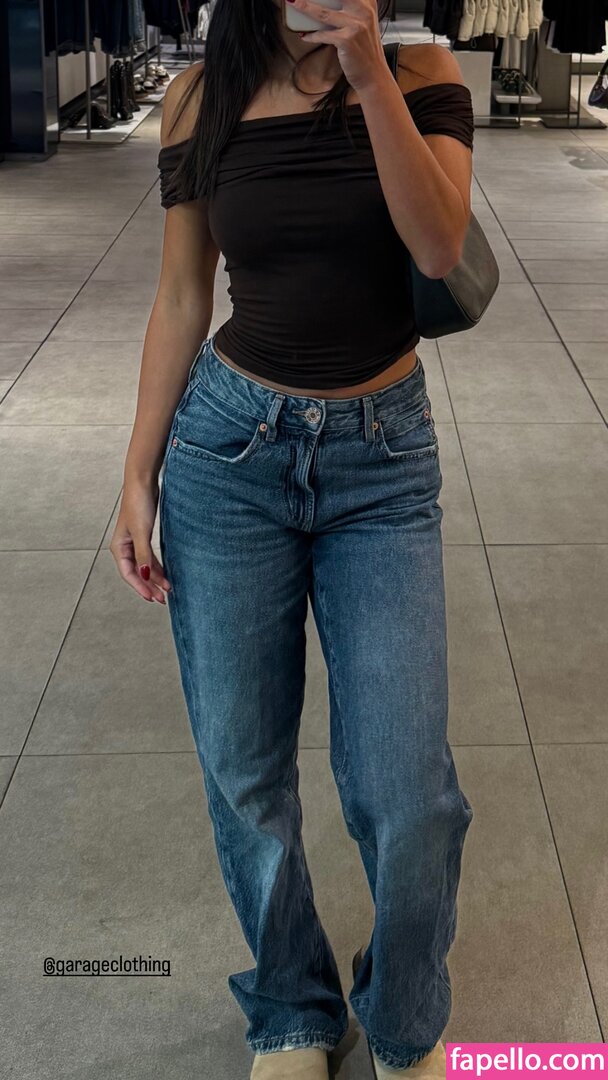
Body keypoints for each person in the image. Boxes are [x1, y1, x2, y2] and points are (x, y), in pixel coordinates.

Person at [110, 1, 475, 1076]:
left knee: (407, 792)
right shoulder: (199, 98)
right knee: (244, 768)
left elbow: (438, 244)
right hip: (230, 454)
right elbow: (182, 294)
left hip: (382, 460)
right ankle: (290, 1007)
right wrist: (136, 473)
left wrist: (366, 73)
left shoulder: (421, 73)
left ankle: (402, 1017)